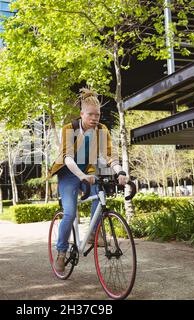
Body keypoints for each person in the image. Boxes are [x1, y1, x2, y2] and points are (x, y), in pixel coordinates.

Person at [47, 88, 128, 273]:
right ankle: (61, 252)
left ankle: (93, 233)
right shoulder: (70, 129)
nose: (94, 118)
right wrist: (81, 176)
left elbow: (110, 156)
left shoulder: (102, 130)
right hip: (68, 173)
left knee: (100, 196)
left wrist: (120, 171)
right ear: (82, 114)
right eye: (90, 114)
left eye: (97, 114)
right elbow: (67, 157)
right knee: (69, 213)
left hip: (88, 172)